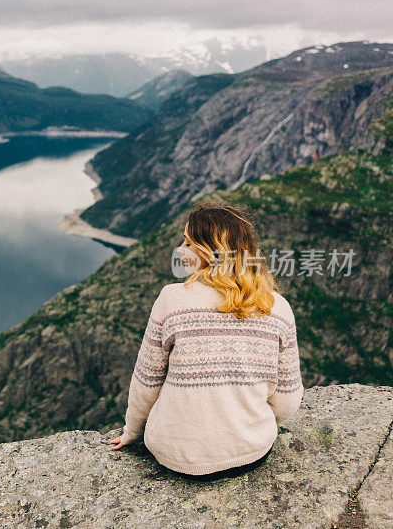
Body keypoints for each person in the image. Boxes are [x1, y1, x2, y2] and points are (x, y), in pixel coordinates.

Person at [109, 203, 304, 479]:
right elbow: (287, 401)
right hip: (250, 453)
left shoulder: (172, 300)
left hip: (174, 457)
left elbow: (146, 384)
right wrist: (246, 424)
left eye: (189, 242)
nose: (181, 249)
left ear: (208, 253)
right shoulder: (278, 308)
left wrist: (132, 432)